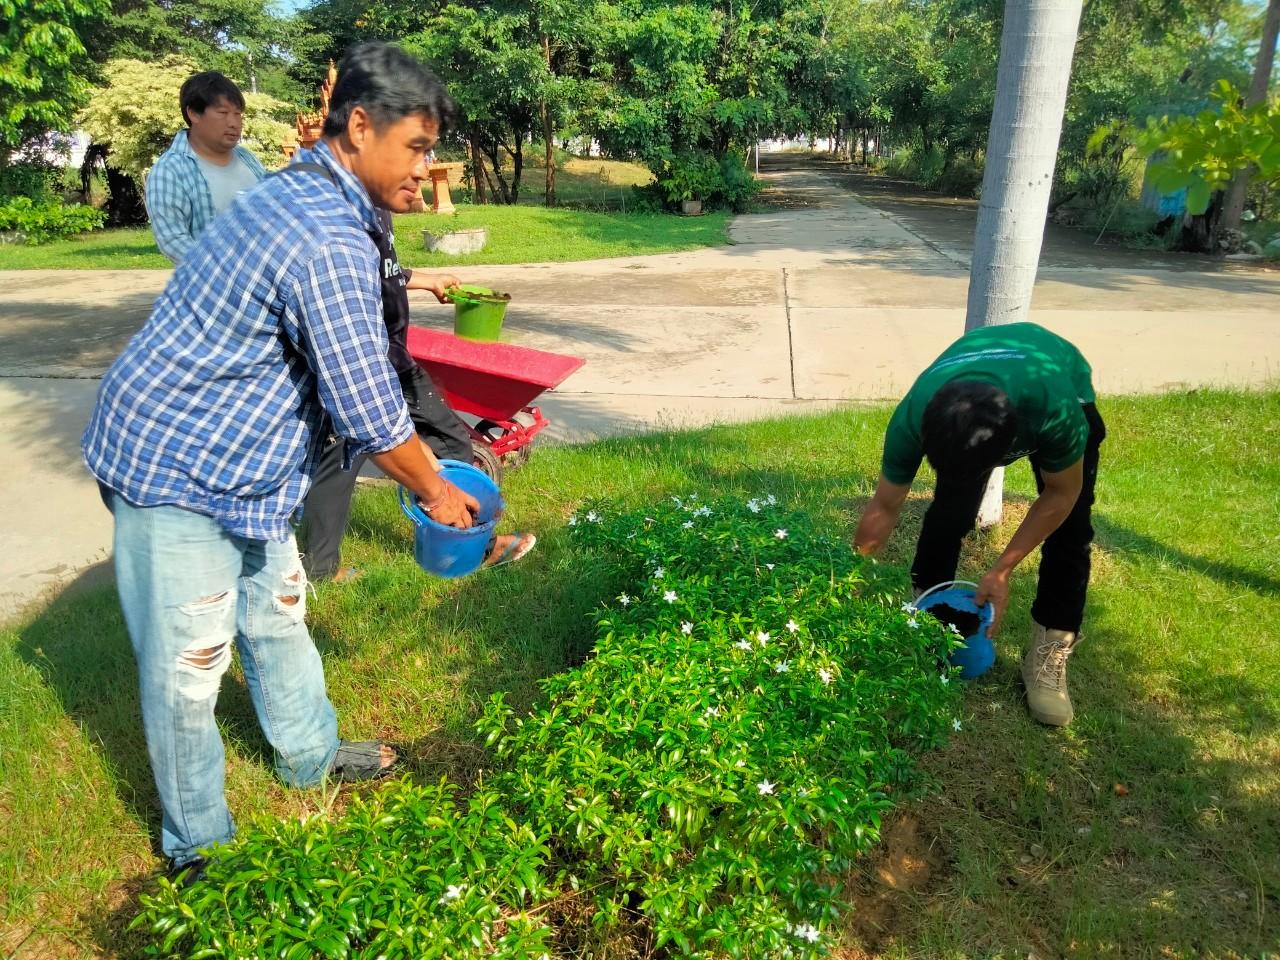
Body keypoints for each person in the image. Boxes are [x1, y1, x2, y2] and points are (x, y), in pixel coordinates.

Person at [83, 42, 475, 881]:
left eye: (432, 149)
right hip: (175, 465)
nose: (425, 168)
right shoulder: (320, 230)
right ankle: (200, 848)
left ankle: (309, 753)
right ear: (359, 126)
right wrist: (438, 491)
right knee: (191, 669)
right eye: (415, 146)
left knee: (278, 613)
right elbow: (369, 406)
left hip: (250, 465)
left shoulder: (310, 186)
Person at [853, 322, 1105, 727]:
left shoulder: (1054, 408)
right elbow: (884, 504)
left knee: (1071, 531)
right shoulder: (916, 412)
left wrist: (1002, 569)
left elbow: (1061, 493)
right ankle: (931, 624)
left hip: (1054, 372)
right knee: (949, 510)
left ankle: (1049, 650)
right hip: (972, 394)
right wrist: (850, 581)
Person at [299, 203, 535, 583]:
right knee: (344, 459)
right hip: (368, 359)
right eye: (415, 152)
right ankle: (320, 569)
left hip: (393, 352)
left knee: (445, 442)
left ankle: (465, 546)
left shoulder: (376, 203)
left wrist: (427, 279)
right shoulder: (346, 209)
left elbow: (385, 273)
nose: (423, 170)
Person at [145, 71, 266, 264]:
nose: (234, 123)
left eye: (238, 114)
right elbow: (172, 239)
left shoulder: (248, 159)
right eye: (223, 113)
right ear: (193, 113)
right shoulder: (170, 170)